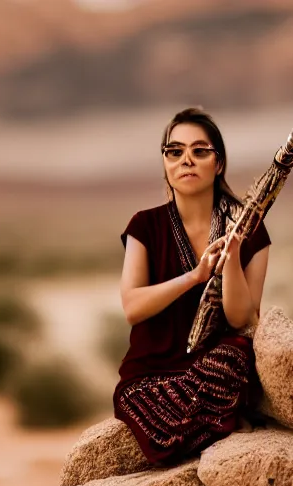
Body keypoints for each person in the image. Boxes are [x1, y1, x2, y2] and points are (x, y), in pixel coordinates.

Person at [113, 107, 271, 467]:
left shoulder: (251, 231)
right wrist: (195, 277)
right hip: (152, 372)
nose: (187, 160)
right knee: (147, 403)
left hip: (214, 363)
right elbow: (132, 307)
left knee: (235, 355)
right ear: (165, 164)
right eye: (175, 151)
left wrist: (231, 256)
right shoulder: (145, 225)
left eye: (200, 151)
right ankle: (215, 423)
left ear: (218, 164)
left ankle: (212, 423)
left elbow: (243, 318)